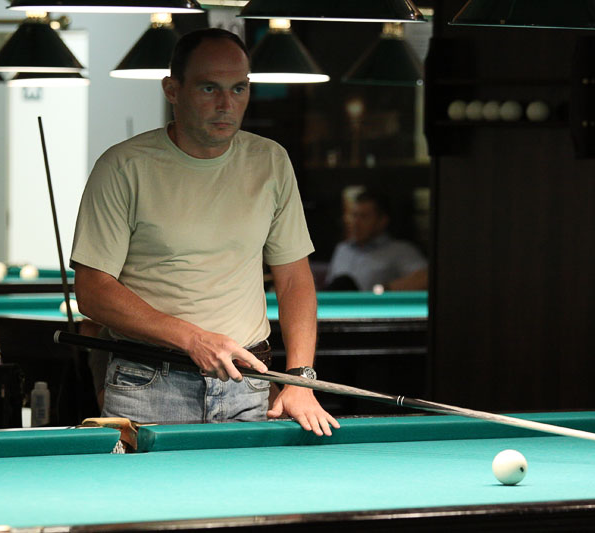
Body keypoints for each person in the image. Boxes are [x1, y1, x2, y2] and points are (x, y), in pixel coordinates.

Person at [71, 28, 338, 436]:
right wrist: (192, 338)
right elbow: (92, 290)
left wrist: (300, 378)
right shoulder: (123, 167)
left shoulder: (270, 161)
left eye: (238, 89)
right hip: (149, 382)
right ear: (172, 90)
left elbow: (294, 280)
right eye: (209, 88)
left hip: (247, 381)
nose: (226, 105)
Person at [325, 189, 428, 291]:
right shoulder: (342, 249)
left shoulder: (400, 250)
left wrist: (383, 290)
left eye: (364, 217)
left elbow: (425, 278)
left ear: (382, 221)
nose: (356, 223)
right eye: (354, 216)